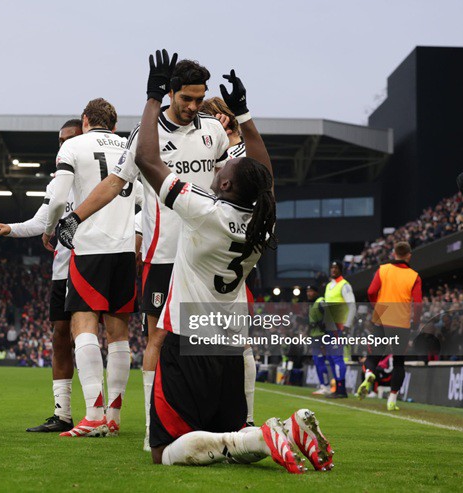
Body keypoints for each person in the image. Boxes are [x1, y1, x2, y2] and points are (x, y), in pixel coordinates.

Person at [133, 50, 333, 473]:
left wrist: (152, 101)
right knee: (227, 431)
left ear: (223, 183)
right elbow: (265, 171)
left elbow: (147, 160)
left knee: (161, 452)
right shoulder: (263, 221)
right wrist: (243, 113)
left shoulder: (204, 209)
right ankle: (279, 433)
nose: (230, 159)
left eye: (229, 166)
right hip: (227, 342)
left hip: (188, 340)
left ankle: (264, 435)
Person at [57, 58, 233, 450]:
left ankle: (219, 422)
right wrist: (75, 216)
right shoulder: (147, 135)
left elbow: (227, 183)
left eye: (199, 99)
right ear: (170, 93)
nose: (192, 106)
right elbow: (115, 182)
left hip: (208, 253)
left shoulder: (213, 132)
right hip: (165, 251)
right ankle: (156, 430)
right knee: (158, 337)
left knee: (213, 338)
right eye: (186, 98)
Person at [44, 98, 137, 438]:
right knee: (119, 335)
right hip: (126, 248)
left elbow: (57, 199)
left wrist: (53, 225)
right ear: (113, 125)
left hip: (90, 247)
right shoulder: (129, 147)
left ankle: (93, 415)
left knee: (83, 326)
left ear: (85, 120)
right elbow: (142, 197)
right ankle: (112, 417)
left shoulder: (72, 146)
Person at [0, 119, 83, 433]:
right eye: (60, 140)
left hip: (95, 263)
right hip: (63, 269)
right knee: (60, 336)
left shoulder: (104, 175)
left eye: (69, 139)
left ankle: (105, 414)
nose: (63, 146)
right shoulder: (58, 179)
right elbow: (44, 217)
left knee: (97, 336)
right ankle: (63, 414)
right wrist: (11, 229)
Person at [200, 96, 257, 426]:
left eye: (214, 116)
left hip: (234, 244)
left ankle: (246, 417)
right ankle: (218, 412)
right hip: (208, 243)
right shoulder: (209, 151)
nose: (211, 123)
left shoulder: (241, 155)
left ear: (227, 117)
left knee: (239, 337)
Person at [359, 241, 422, 410]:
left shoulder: (383, 270)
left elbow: (371, 291)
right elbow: (418, 304)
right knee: (399, 362)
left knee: (374, 357)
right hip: (401, 324)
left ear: (394, 254)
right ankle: (392, 400)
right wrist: (415, 323)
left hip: (381, 319)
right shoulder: (414, 276)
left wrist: (377, 306)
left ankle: (370, 374)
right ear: (409, 255)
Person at [323, 261, 356, 398]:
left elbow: (352, 306)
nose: (333, 270)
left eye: (336, 268)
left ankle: (341, 390)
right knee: (330, 358)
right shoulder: (329, 286)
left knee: (337, 358)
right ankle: (337, 387)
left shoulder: (345, 285)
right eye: (332, 267)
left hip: (339, 327)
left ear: (341, 270)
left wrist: (347, 325)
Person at [306, 285, 332, 395]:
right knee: (317, 361)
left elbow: (329, 315)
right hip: (315, 337)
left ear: (316, 292)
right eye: (307, 291)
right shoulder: (312, 304)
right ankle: (323, 385)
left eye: (311, 291)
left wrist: (325, 331)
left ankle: (326, 386)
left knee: (321, 362)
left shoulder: (321, 302)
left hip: (321, 337)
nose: (308, 293)